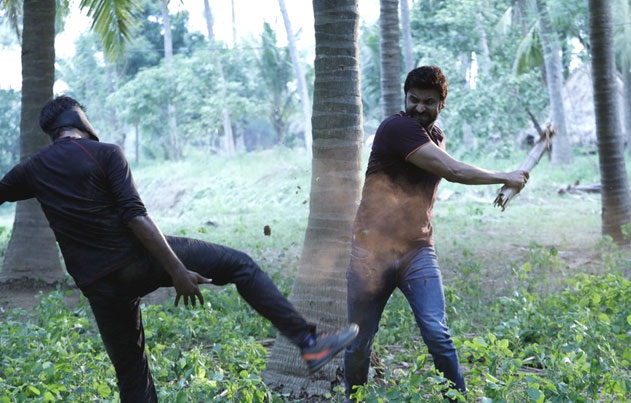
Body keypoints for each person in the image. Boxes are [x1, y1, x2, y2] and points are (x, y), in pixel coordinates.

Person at [0, 95, 358, 402]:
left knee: (131, 370)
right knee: (240, 265)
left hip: (97, 284)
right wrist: (177, 271)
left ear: (52, 131)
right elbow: (135, 216)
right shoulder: (105, 153)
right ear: (80, 119)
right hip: (136, 260)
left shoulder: (33, 169)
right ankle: (308, 340)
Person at [343, 66, 529, 399]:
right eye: (413, 99)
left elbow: (444, 169)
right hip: (372, 252)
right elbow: (453, 170)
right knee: (359, 343)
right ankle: (352, 397)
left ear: (441, 104)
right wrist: (505, 176)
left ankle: (457, 397)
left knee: (437, 333)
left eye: (428, 102)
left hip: (416, 250)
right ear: (405, 98)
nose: (419, 107)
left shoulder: (437, 137)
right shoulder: (397, 128)